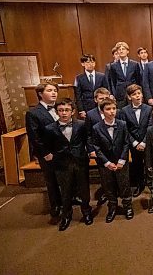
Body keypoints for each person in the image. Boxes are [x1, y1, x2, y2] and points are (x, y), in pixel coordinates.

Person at [44, 98, 93, 231]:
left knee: (84, 189)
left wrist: (90, 151)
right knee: (65, 191)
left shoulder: (82, 125)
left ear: (73, 111)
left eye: (67, 110)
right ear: (56, 112)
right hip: (61, 164)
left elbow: (87, 139)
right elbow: (47, 145)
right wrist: (48, 154)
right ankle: (66, 215)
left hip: (80, 161)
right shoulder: (49, 128)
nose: (64, 113)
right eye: (60, 110)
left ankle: (86, 211)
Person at [91, 98, 133, 222]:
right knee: (109, 186)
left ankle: (128, 206)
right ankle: (112, 207)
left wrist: (122, 160)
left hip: (121, 161)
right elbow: (96, 147)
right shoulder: (96, 127)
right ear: (102, 111)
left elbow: (126, 143)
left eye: (114, 108)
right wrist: (107, 162)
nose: (112, 111)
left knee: (124, 184)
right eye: (108, 109)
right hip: (106, 163)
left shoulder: (122, 124)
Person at [25, 82, 62, 218]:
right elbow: (34, 137)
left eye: (55, 90)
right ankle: (56, 205)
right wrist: (45, 153)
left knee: (65, 176)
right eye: (50, 90)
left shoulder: (60, 108)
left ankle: (69, 198)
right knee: (51, 180)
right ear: (40, 94)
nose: (54, 93)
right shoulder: (33, 113)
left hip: (62, 150)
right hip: (47, 153)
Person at [118, 84, 153, 197]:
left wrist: (143, 142)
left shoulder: (149, 109)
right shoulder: (124, 111)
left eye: (139, 93)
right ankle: (139, 184)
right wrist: (134, 142)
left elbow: (150, 126)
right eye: (134, 94)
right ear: (129, 97)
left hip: (146, 142)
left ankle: (151, 184)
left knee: (149, 163)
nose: (137, 96)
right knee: (137, 164)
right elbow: (125, 129)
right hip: (133, 143)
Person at [74, 54, 109, 119]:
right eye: (88, 62)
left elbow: (106, 91)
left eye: (92, 62)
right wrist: (81, 110)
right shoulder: (79, 78)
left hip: (101, 105)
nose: (90, 64)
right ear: (83, 64)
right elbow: (78, 95)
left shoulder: (102, 76)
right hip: (87, 107)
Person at [109, 41, 142, 108]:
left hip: (133, 93)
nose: (121, 51)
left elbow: (138, 80)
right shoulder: (113, 66)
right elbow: (113, 81)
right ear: (117, 52)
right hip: (120, 95)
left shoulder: (135, 64)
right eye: (119, 49)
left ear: (127, 51)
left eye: (123, 49)